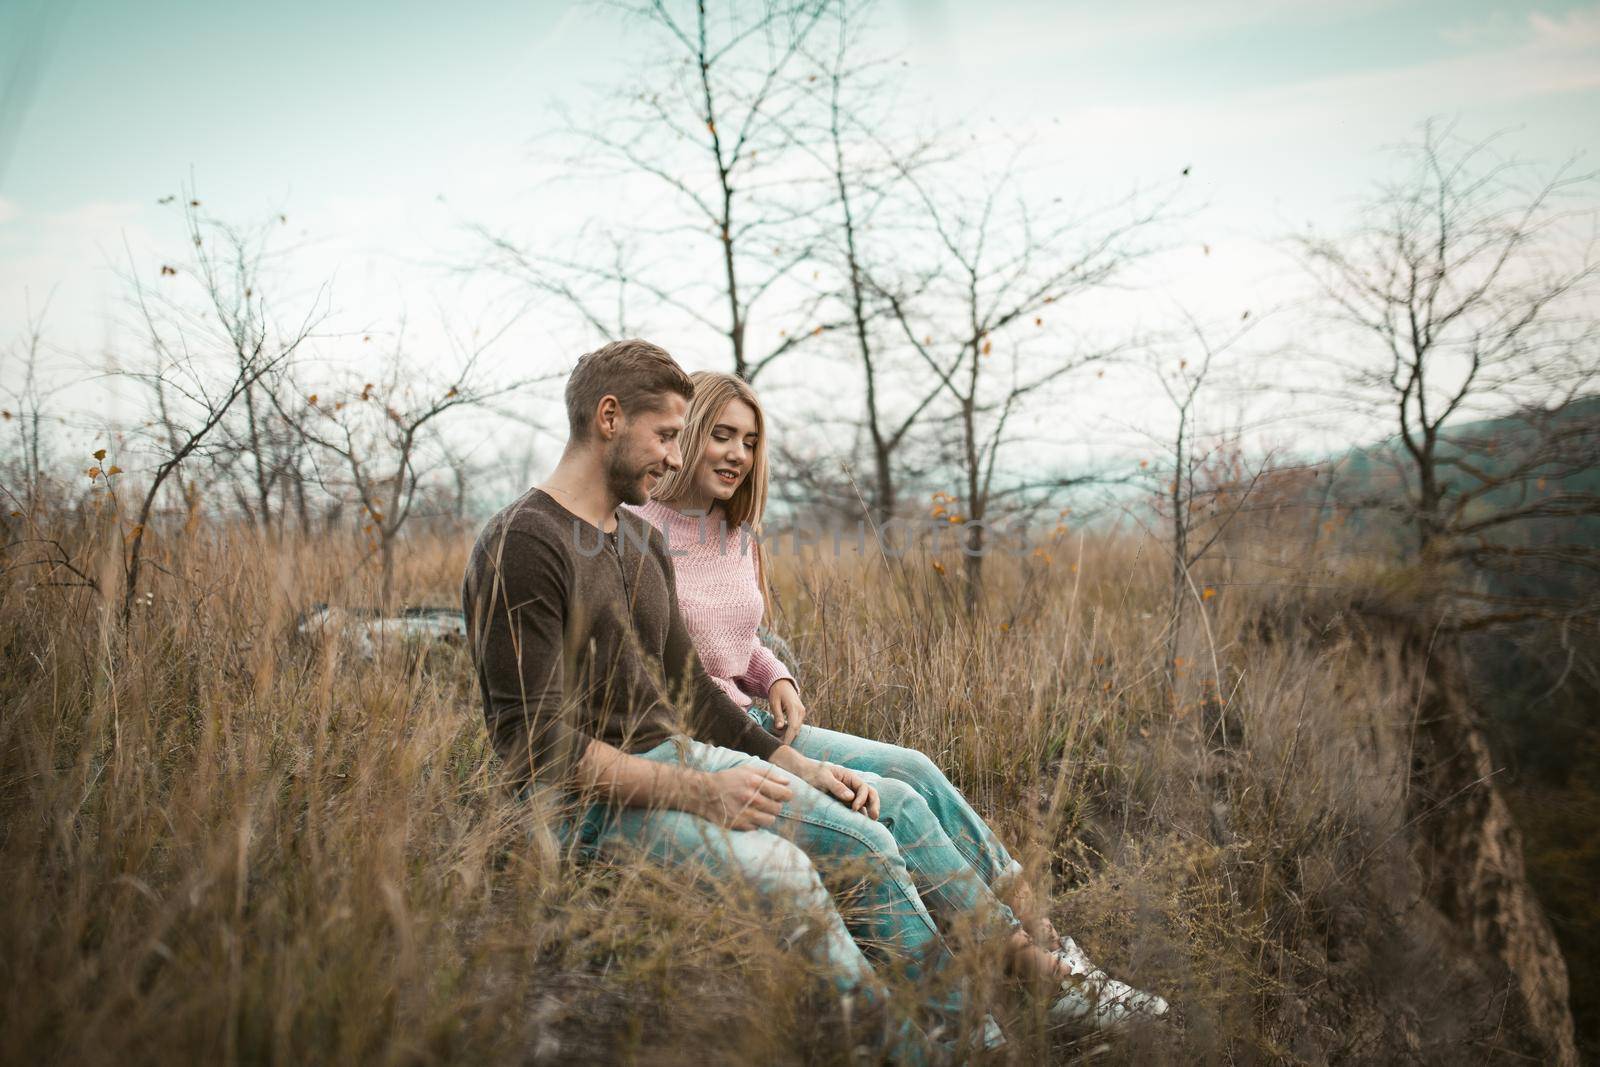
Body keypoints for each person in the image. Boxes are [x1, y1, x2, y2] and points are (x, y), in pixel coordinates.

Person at [464, 339, 1021, 1056]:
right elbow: (532, 746)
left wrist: (800, 766)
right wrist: (700, 792)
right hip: (584, 808)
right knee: (795, 867)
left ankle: (971, 1036)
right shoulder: (523, 540)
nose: (674, 456)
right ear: (609, 417)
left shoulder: (636, 538)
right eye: (666, 435)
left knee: (869, 832)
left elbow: (690, 691)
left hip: (678, 757)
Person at [627, 369, 1171, 1030]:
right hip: (717, 737)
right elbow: (667, 666)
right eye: (721, 435)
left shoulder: (737, 533)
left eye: (749, 440)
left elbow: (744, 638)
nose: (737, 454)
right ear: (685, 434)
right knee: (901, 802)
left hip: (761, 713)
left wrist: (778, 678)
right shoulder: (634, 532)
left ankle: (1038, 930)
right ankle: (1029, 969)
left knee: (911, 764)